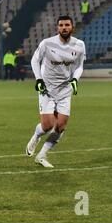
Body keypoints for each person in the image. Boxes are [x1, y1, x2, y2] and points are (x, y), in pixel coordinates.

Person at [25, 15, 86, 168]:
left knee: (60, 126)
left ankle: (42, 155)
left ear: (72, 27)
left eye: (67, 25)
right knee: (47, 126)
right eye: (61, 25)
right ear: (57, 28)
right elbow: (34, 60)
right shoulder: (47, 43)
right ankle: (36, 135)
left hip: (65, 89)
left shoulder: (79, 45)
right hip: (47, 88)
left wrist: (75, 79)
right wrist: (38, 79)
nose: (64, 27)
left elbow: (79, 66)